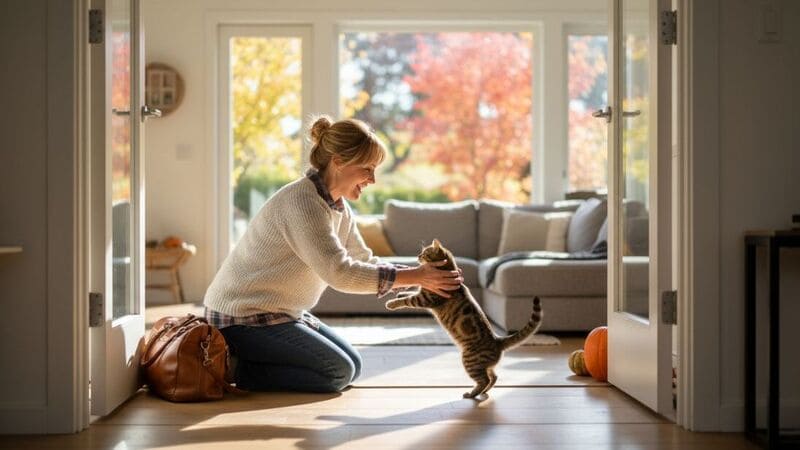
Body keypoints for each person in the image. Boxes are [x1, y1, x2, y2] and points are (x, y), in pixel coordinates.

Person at [203, 115, 463, 393]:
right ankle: (232, 368)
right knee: (336, 372)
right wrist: (416, 277)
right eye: (367, 168)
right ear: (338, 161)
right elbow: (339, 272)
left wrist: (422, 276)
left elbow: (363, 260)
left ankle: (248, 363)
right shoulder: (302, 202)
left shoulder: (337, 206)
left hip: (280, 313)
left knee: (352, 366)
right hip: (241, 317)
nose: (373, 179)